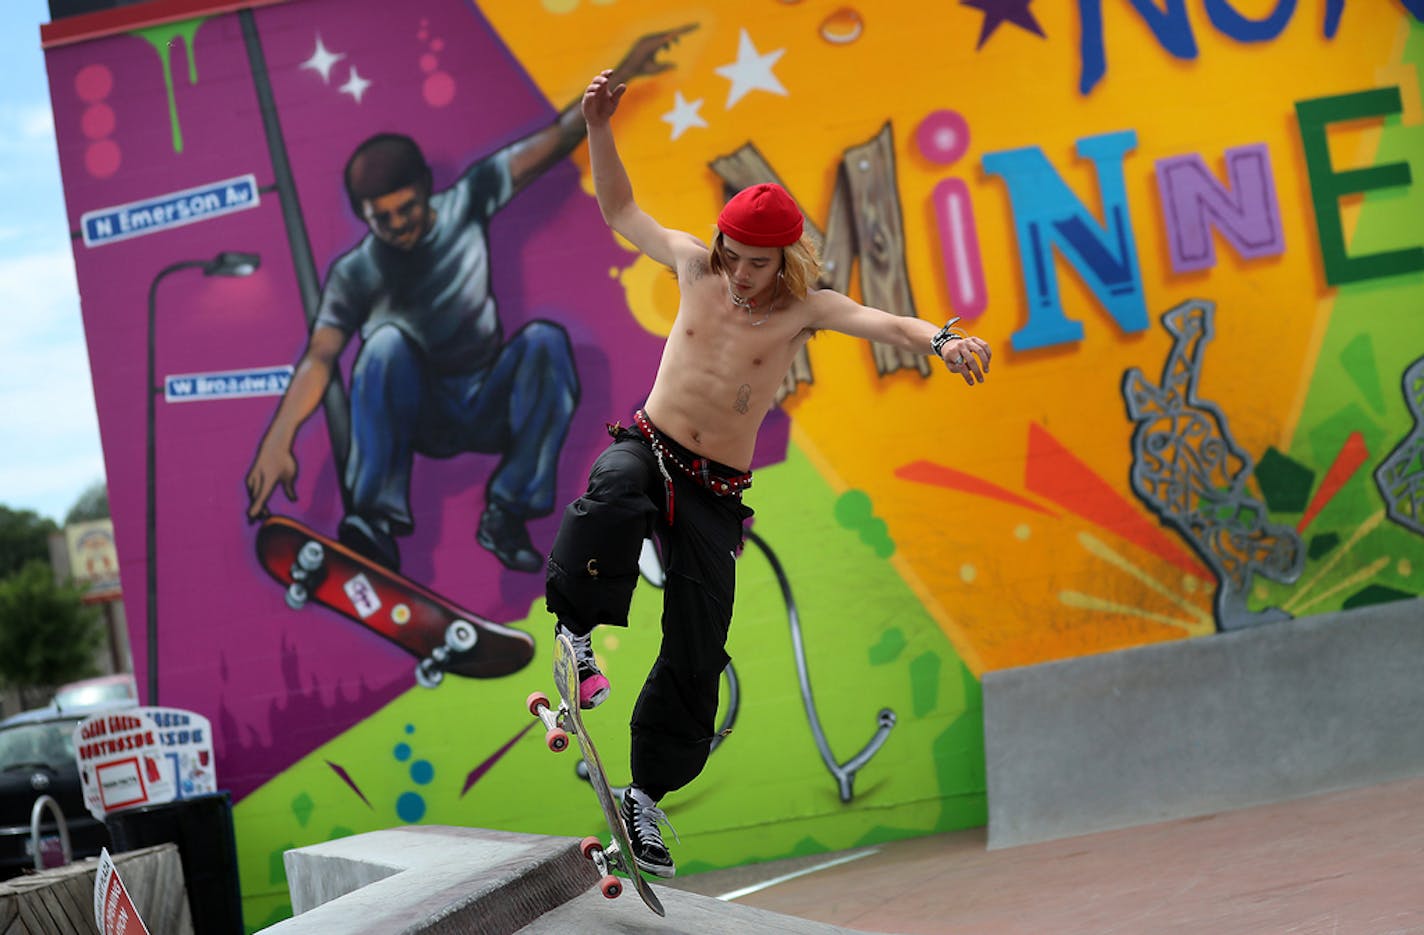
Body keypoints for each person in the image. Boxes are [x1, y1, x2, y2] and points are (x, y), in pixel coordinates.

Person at [544, 70, 993, 878]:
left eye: (757, 264)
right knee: (610, 491)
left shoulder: (802, 308)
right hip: (651, 445)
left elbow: (880, 318)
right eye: (735, 258)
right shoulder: (691, 264)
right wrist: (598, 127)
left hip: (716, 493)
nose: (742, 276)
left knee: (697, 640)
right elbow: (620, 210)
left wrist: (941, 340)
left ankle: (647, 798)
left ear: (784, 258)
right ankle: (577, 633)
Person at [244, 27, 694, 574]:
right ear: (365, 216)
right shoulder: (356, 270)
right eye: (379, 219)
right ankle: (376, 523)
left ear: (426, 191)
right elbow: (320, 356)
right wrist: (279, 437)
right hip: (421, 409)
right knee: (382, 346)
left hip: (487, 396)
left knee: (545, 344)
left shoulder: (470, 198)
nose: (395, 227)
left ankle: (507, 511)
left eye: (404, 210)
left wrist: (623, 68)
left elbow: (552, 141)